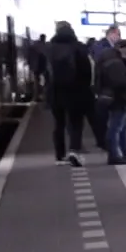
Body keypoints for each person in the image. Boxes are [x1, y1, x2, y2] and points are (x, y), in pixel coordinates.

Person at [43, 21, 94, 167]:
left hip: (55, 92)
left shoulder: (49, 48)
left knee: (58, 124)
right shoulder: (79, 47)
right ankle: (74, 150)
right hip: (76, 91)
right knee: (75, 123)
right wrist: (86, 89)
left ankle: (59, 156)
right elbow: (87, 71)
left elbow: (44, 72)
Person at [94, 41, 126, 165]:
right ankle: (114, 154)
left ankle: (124, 151)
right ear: (122, 48)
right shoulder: (115, 62)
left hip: (111, 96)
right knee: (116, 128)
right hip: (118, 98)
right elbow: (119, 83)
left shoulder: (108, 57)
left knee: (121, 127)